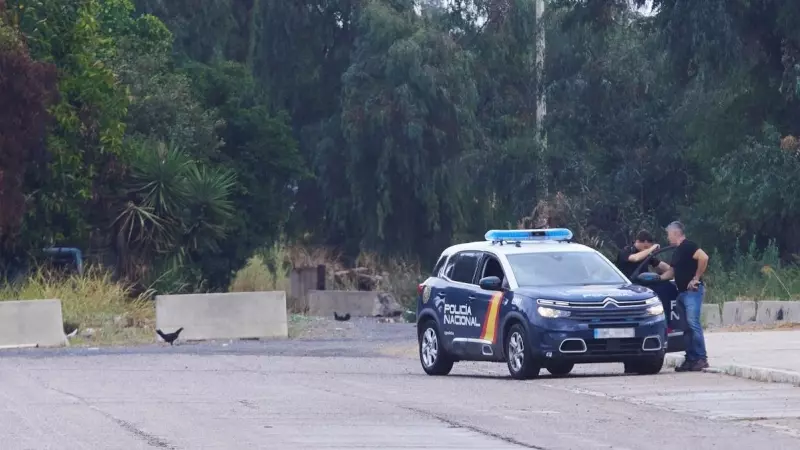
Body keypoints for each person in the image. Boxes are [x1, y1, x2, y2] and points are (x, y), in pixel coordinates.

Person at [659, 221, 710, 372]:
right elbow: (671, 272)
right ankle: (691, 358)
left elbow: (704, 257)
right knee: (685, 327)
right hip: (681, 293)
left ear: (675, 233)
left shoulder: (688, 246)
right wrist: (655, 279)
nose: (668, 238)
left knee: (692, 323)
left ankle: (701, 358)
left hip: (692, 292)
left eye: (669, 234)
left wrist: (696, 278)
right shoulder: (677, 251)